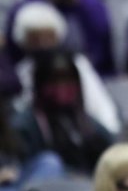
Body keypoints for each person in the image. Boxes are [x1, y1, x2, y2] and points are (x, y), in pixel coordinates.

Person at [10, 1, 121, 135]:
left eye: (48, 37)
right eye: (35, 38)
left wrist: (109, 132)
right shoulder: (22, 71)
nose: (43, 44)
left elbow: (99, 105)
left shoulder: (76, 64)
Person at [12, 49, 113, 178]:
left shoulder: (86, 123)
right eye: (53, 81)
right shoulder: (25, 125)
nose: (61, 88)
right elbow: (23, 170)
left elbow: (113, 151)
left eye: (67, 80)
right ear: (40, 84)